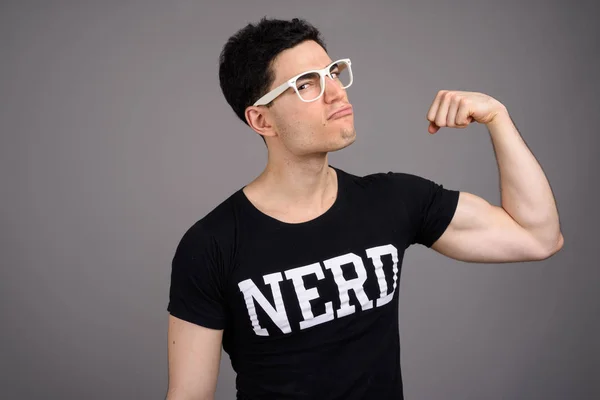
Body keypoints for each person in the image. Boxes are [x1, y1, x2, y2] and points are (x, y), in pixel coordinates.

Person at [165, 17, 563, 400]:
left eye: (333, 73)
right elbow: (189, 394)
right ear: (261, 119)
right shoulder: (211, 245)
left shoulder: (392, 200)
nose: (336, 92)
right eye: (307, 84)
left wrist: (497, 116)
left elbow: (537, 237)